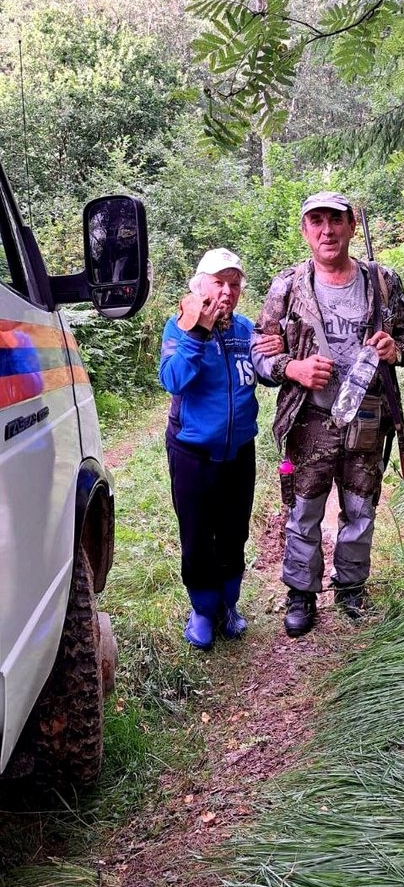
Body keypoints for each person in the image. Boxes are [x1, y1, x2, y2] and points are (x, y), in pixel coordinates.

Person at [251, 192, 404, 638]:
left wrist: (396, 348)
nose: (327, 230)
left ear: (351, 226)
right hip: (309, 418)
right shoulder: (286, 287)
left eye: (336, 220)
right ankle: (301, 594)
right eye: (317, 222)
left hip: (368, 416)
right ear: (305, 231)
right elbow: (258, 352)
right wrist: (293, 367)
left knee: (360, 507)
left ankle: (350, 588)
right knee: (303, 508)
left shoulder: (382, 282)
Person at [159, 248, 280, 650]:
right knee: (196, 537)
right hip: (192, 453)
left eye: (234, 284)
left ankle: (228, 605)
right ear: (200, 285)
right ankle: (202, 609)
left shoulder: (246, 330)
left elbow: (267, 373)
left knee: (233, 534)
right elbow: (172, 380)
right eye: (218, 282)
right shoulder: (179, 327)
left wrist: (280, 353)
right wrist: (197, 333)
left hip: (239, 453)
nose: (226, 292)